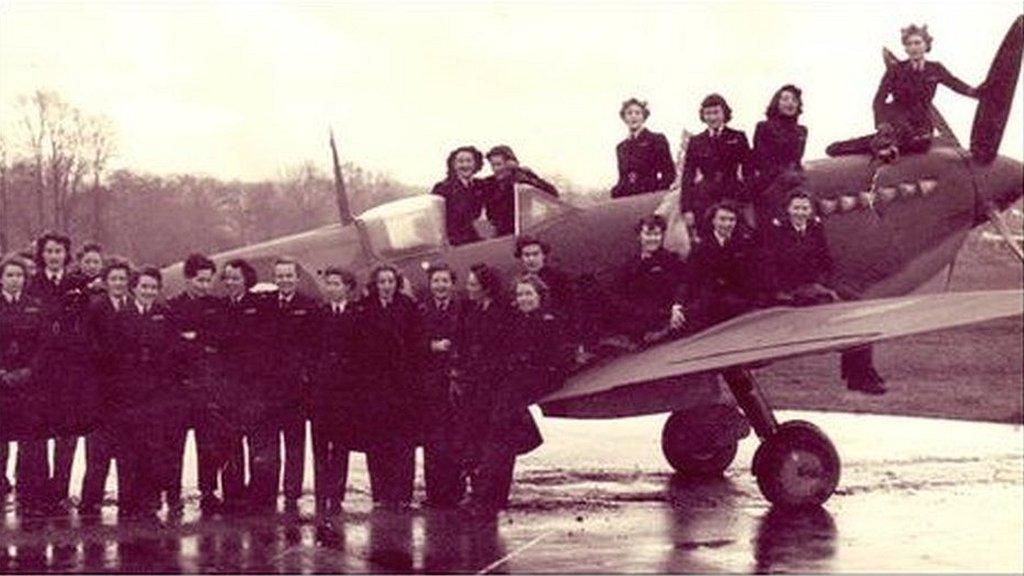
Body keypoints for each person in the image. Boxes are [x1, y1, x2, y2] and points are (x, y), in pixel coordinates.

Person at [762, 191, 886, 395]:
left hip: (816, 285)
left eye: (804, 208)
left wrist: (826, 284)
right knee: (843, 318)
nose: (800, 213)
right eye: (796, 208)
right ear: (788, 210)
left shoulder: (815, 228)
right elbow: (772, 267)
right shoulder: (778, 232)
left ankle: (859, 372)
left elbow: (826, 261)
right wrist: (789, 291)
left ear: (810, 211)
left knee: (857, 304)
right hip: (793, 292)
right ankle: (860, 376)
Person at [469, 273, 570, 514]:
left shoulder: (549, 321)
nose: (524, 298)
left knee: (499, 431)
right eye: (520, 294)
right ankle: (490, 498)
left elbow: (555, 359)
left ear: (539, 296)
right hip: (517, 381)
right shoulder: (519, 320)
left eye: (528, 294)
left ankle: (487, 499)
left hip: (532, 380)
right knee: (500, 434)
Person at [827, 24, 981, 158]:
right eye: (909, 44)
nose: (913, 47)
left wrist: (977, 93)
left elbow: (955, 84)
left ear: (926, 45)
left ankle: (883, 144)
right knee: (901, 134)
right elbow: (879, 100)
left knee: (922, 143)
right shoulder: (896, 70)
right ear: (905, 47)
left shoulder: (935, 69)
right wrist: (881, 123)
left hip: (921, 121)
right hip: (897, 117)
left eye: (917, 43)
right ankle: (859, 146)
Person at [25, 233, 87, 510]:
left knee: (67, 434)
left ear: (66, 254)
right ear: (42, 255)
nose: (53, 256)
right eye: (49, 251)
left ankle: (60, 490)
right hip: (39, 369)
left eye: (58, 251)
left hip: (70, 369)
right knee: (36, 433)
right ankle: (37, 493)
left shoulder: (77, 284)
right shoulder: (31, 284)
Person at [166, 253, 230, 514]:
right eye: (199, 280)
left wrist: (195, 340)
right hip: (180, 387)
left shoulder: (217, 306)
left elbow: (221, 342)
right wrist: (197, 343)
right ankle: (172, 494)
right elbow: (171, 347)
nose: (204, 286)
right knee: (174, 445)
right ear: (187, 278)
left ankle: (208, 491)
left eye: (208, 280)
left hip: (207, 385)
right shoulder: (171, 306)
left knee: (208, 443)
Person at [356, 265, 423, 508]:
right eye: (382, 282)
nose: (386, 286)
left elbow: (417, 344)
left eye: (390, 281)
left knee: (403, 443)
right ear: (375, 284)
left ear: (397, 282)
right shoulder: (365, 308)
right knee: (377, 443)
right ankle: (381, 494)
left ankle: (403, 495)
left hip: (402, 385)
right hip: (374, 386)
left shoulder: (408, 307)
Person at [79, 260, 134, 517]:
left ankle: (128, 500)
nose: (119, 284)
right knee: (98, 453)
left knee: (126, 450)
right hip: (101, 389)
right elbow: (89, 346)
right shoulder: (95, 308)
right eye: (114, 279)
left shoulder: (134, 307)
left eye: (123, 279)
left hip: (127, 391)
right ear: (106, 281)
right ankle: (90, 502)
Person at [264, 256, 319, 513]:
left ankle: (292, 493)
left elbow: (313, 348)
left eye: (289, 276)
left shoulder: (309, 306)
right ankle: (269, 492)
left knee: (295, 444)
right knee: (271, 445)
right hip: (272, 389)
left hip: (296, 389)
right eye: (280, 276)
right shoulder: (265, 305)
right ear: (274, 278)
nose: (284, 280)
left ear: (297, 278)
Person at [454, 263, 511, 509]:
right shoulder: (475, 310)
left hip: (495, 384)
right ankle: (480, 492)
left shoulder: (503, 311)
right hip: (476, 383)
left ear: (486, 288)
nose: (468, 288)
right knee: (476, 438)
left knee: (495, 440)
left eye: (473, 284)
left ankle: (493, 496)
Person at [218, 258, 272, 513]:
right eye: (227, 278)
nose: (230, 283)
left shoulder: (259, 307)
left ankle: (260, 496)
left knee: (257, 444)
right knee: (230, 444)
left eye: (235, 278)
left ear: (247, 280)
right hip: (229, 388)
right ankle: (233, 495)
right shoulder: (220, 308)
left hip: (254, 388)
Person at [311, 266, 360, 516]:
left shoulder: (357, 315)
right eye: (328, 284)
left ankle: (336, 494)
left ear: (347, 288)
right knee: (319, 444)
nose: (331, 288)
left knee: (340, 446)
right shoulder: (318, 315)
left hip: (345, 393)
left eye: (336, 284)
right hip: (321, 392)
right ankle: (321, 493)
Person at [0, 259, 46, 515]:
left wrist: (30, 370)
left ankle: (29, 491)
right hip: (1, 381)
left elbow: (43, 345)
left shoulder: (34, 306)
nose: (15, 279)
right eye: (10, 274)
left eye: (19, 275)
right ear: (1, 278)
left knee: (29, 439)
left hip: (28, 382)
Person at [418, 263, 465, 508]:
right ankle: (435, 493)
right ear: (430, 284)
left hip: (455, 381)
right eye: (436, 281)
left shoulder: (462, 308)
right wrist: (431, 346)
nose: (440, 285)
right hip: (431, 383)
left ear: (452, 284)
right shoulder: (422, 309)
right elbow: (413, 341)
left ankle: (456, 492)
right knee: (433, 440)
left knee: (456, 437)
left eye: (445, 281)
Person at [679, 94, 752, 234]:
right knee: (706, 235)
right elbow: (688, 176)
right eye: (708, 113)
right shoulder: (696, 141)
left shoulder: (738, 137)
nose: (712, 117)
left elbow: (748, 170)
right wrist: (687, 209)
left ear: (724, 113)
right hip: (705, 196)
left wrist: (745, 195)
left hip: (733, 194)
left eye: (716, 112)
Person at [613, 215, 688, 345]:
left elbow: (683, 283)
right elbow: (620, 294)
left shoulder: (671, 259)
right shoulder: (630, 266)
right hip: (645, 315)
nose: (653, 238)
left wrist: (677, 306)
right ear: (639, 236)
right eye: (648, 234)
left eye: (657, 234)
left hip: (671, 311)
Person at [687, 202, 757, 330]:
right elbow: (692, 278)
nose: (727, 224)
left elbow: (749, 273)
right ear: (713, 220)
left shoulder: (744, 243)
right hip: (712, 299)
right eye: (722, 219)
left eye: (732, 220)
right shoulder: (701, 247)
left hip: (738, 296)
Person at [751, 85, 808, 227]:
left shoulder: (802, 131)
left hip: (793, 179)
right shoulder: (764, 127)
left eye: (794, 100)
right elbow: (762, 158)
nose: (790, 103)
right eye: (785, 99)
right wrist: (783, 175)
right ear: (776, 103)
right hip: (771, 181)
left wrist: (797, 172)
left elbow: (797, 159)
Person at [481, 145, 559, 237]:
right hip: (499, 234)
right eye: (493, 165)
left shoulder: (522, 179)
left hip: (523, 232)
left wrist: (527, 174)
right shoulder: (488, 183)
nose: (496, 169)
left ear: (510, 164)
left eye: (499, 164)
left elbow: (553, 194)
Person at [611, 98, 676, 198]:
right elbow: (622, 178)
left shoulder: (656, 139)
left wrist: (654, 192)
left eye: (637, 113)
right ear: (624, 118)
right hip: (627, 199)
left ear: (644, 117)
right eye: (629, 113)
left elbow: (669, 174)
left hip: (649, 196)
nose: (633, 116)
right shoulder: (621, 147)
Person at [431, 146, 486, 246]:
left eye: (469, 161)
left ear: (476, 164)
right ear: (454, 165)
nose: (465, 165)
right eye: (460, 161)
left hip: (477, 242)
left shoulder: (480, 185)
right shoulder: (442, 189)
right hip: (454, 245)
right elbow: (435, 221)